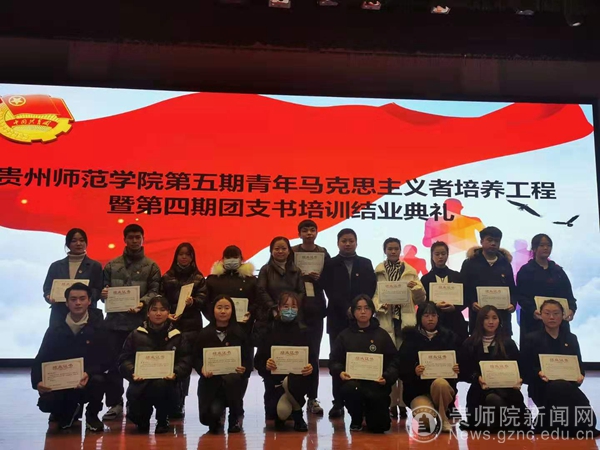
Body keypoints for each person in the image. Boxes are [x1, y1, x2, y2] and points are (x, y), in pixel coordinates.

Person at [101, 224, 161, 421]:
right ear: (124, 239)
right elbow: (102, 291)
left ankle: (136, 402)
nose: (135, 241)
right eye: (131, 237)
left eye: (138, 237)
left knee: (140, 365)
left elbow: (155, 292)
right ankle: (115, 404)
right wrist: (103, 294)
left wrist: (142, 302)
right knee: (113, 366)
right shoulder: (112, 265)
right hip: (114, 325)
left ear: (143, 239)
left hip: (140, 325)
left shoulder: (151, 266)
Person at [31, 282, 110, 432]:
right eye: (73, 299)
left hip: (87, 377)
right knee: (47, 403)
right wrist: (37, 383)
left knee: (99, 380)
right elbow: (41, 358)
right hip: (62, 379)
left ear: (89, 301)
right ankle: (68, 411)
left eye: (82, 298)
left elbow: (107, 358)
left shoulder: (100, 326)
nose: (78, 303)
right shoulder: (55, 328)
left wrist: (89, 372)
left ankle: (92, 415)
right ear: (67, 303)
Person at [520, 300, 599, 437]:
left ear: (563, 315)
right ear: (540, 315)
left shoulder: (571, 338)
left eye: (556, 313)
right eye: (547, 313)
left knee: (589, 420)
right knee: (558, 389)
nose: (552, 317)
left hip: (568, 386)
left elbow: (579, 366)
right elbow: (524, 369)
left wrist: (580, 376)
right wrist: (538, 373)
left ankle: (545, 422)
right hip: (542, 387)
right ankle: (550, 423)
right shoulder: (531, 339)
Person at [321, 228, 377, 418]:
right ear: (338, 243)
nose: (347, 244)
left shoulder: (365, 263)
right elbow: (329, 289)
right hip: (337, 318)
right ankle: (337, 402)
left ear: (356, 242)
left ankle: (362, 400)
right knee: (337, 361)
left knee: (361, 359)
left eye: (351, 240)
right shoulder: (330, 264)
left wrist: (359, 309)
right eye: (344, 240)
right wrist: (346, 308)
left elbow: (370, 288)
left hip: (361, 319)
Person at [118, 296, 192, 434]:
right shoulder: (135, 334)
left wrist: (175, 373)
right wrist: (132, 372)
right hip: (140, 382)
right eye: (154, 310)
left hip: (166, 383)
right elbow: (124, 360)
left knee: (161, 384)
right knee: (139, 421)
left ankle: (162, 420)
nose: (158, 313)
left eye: (162, 310)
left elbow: (186, 361)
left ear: (168, 313)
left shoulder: (177, 336)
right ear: (148, 313)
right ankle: (142, 419)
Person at [372, 238, 426, 419]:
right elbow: (374, 296)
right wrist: (380, 305)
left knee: (404, 364)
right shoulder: (378, 271)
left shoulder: (410, 272)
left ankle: (402, 403)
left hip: (405, 323)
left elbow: (421, 299)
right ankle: (390, 403)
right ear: (385, 250)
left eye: (396, 249)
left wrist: (416, 288)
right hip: (386, 320)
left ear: (400, 250)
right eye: (390, 249)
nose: (393, 252)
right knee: (388, 364)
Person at [329, 295, 398, 433]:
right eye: (359, 308)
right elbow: (334, 360)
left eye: (366, 308)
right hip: (353, 384)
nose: (362, 312)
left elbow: (394, 361)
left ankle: (371, 414)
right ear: (353, 312)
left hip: (376, 385)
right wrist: (340, 372)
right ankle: (356, 418)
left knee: (380, 427)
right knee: (351, 389)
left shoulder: (382, 335)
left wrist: (386, 377)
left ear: (372, 311)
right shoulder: (344, 336)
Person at [391, 301, 460, 433]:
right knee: (425, 418)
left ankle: (443, 417)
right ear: (419, 317)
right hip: (418, 392)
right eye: (426, 315)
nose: (430, 319)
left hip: (442, 389)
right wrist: (414, 371)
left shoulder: (449, 337)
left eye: (433, 315)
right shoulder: (411, 339)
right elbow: (401, 368)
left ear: (438, 317)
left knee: (440, 383)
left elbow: (461, 362)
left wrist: (457, 369)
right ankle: (431, 415)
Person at [459, 306, 529, 431]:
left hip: (507, 389)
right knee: (492, 400)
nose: (491, 322)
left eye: (494, 318)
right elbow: (465, 371)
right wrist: (477, 378)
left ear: (500, 321)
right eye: (486, 318)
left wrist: (519, 380)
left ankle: (508, 422)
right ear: (480, 321)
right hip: (480, 390)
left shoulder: (508, 343)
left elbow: (520, 367)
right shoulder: (470, 343)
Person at [254, 291, 315, 432]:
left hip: (297, 382)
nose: (290, 310)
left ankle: (298, 414)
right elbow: (258, 361)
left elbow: (312, 360)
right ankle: (289, 409)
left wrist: (310, 368)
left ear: (298, 309)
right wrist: (266, 365)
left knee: (290, 386)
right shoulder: (269, 330)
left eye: (293, 307)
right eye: (286, 306)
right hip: (275, 384)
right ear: (279, 308)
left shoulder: (304, 332)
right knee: (279, 413)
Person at [160, 242, 206, 418]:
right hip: (171, 325)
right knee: (171, 363)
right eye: (181, 254)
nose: (184, 257)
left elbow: (204, 299)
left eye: (188, 254)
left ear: (192, 257)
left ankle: (181, 402)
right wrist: (166, 314)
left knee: (185, 365)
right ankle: (170, 401)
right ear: (176, 256)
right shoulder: (167, 276)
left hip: (192, 326)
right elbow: (160, 299)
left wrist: (194, 301)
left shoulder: (199, 278)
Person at [194, 295, 252, 433]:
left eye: (227, 308)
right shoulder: (204, 334)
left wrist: (244, 368)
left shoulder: (240, 333)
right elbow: (196, 357)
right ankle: (218, 414)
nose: (223, 311)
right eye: (219, 307)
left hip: (234, 382)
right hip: (212, 382)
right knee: (211, 417)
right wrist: (202, 368)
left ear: (232, 311)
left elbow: (248, 358)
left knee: (233, 379)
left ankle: (235, 416)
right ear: (213, 310)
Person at [291, 219, 331, 415]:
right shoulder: (291, 252)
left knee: (313, 354)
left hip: (316, 308)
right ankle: (293, 397)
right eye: (305, 230)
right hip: (295, 309)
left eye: (312, 230)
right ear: (299, 233)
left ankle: (312, 398)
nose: (308, 233)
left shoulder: (323, 253)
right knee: (294, 352)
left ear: (316, 232)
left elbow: (332, 280)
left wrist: (320, 279)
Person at [516, 234, 577, 342]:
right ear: (534, 248)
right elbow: (521, 296)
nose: (546, 248)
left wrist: (572, 309)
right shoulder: (526, 271)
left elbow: (569, 295)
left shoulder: (558, 271)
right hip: (533, 322)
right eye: (542, 245)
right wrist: (532, 310)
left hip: (558, 323)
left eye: (548, 245)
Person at [460, 226, 516, 335]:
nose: (493, 243)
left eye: (497, 241)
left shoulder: (505, 263)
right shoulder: (470, 263)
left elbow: (512, 289)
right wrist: (472, 302)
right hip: (478, 317)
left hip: (502, 318)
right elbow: (463, 289)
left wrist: (513, 304)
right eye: (489, 240)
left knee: (503, 345)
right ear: (481, 241)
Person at [43, 228, 103, 326]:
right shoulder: (56, 266)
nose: (78, 244)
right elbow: (47, 289)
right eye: (74, 241)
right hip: (60, 314)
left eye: (82, 240)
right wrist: (49, 296)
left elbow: (98, 289)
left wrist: (84, 298)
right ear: (68, 244)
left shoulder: (95, 266)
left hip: (87, 314)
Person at [257, 236, 305, 339]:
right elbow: (261, 290)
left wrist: (293, 307)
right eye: (277, 249)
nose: (280, 251)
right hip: (270, 316)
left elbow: (301, 291)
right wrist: (275, 308)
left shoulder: (296, 270)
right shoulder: (265, 269)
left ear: (289, 251)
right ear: (271, 251)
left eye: (284, 248)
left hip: (292, 316)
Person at [420, 241, 468, 344]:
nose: (440, 257)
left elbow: (466, 298)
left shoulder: (457, 276)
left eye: (443, 254)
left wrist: (455, 307)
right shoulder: (425, 279)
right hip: (433, 323)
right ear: (432, 256)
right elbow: (422, 302)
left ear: (447, 255)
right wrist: (434, 306)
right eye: (437, 254)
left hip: (455, 321)